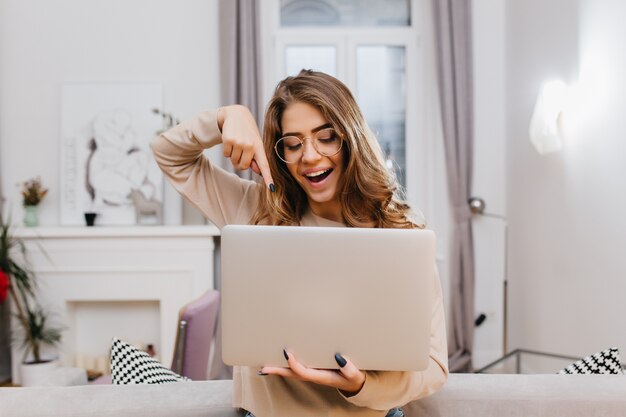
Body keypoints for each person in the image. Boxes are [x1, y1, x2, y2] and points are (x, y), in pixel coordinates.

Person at [152, 70, 448, 417]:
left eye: (326, 138)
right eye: (292, 144)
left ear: (351, 138)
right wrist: (226, 117)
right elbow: (168, 153)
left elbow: (434, 364)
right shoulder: (253, 208)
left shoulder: (401, 229)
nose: (309, 156)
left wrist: (360, 384)